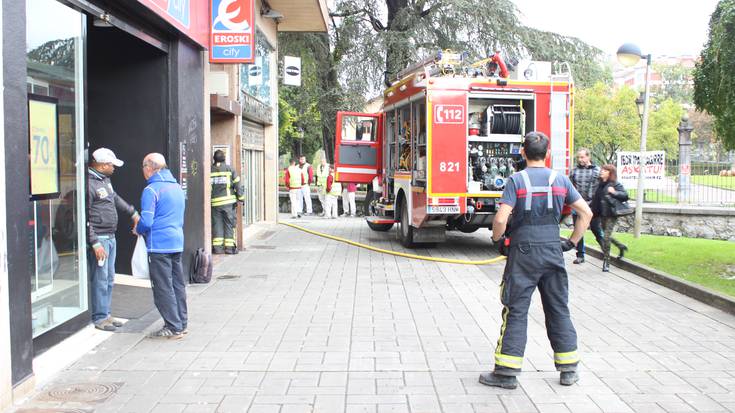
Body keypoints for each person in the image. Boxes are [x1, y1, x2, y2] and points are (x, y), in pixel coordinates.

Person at [481, 131, 592, 389]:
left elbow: (500, 219)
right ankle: (568, 369)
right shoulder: (561, 179)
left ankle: (507, 373)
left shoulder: (516, 181)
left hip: (523, 253)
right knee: (557, 308)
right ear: (548, 154)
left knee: (516, 309)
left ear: (522, 153)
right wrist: (572, 242)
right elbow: (586, 213)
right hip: (553, 249)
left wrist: (498, 240)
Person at [87, 148, 140, 331]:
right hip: (100, 239)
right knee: (100, 279)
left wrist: (132, 212)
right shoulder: (89, 185)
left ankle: (106, 313)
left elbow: (115, 198)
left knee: (109, 278)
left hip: (110, 237)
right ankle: (100, 317)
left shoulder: (105, 180)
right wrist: (94, 242)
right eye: (111, 165)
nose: (114, 168)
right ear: (102, 165)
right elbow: (84, 218)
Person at [135, 153, 187, 339]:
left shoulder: (151, 190)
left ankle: (173, 327)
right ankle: (181, 322)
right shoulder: (176, 187)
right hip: (177, 242)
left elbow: (147, 221)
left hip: (158, 245)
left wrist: (138, 228)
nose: (143, 172)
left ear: (149, 167)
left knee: (163, 287)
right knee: (177, 284)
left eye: (143, 167)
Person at [590, 164, 629, 272]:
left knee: (606, 237)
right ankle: (621, 246)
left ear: (610, 173)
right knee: (606, 236)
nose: (602, 171)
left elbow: (625, 195)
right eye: (602, 169)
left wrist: (614, 192)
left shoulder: (614, 184)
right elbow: (596, 199)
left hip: (611, 214)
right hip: (601, 214)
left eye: (605, 170)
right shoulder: (599, 184)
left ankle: (607, 261)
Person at [569, 148, 604, 264]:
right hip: (578, 205)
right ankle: (580, 255)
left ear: (588, 157)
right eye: (579, 157)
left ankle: (606, 251)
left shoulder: (597, 171)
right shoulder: (574, 171)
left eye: (582, 157)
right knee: (578, 230)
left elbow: (602, 188)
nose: (580, 160)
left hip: (593, 205)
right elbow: (570, 187)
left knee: (596, 230)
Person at [210, 150, 244, 254]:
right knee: (229, 224)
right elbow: (237, 184)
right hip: (228, 204)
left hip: (215, 203)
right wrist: (241, 198)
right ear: (224, 158)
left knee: (217, 225)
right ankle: (229, 248)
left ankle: (217, 248)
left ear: (214, 159)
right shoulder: (230, 169)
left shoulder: (210, 170)